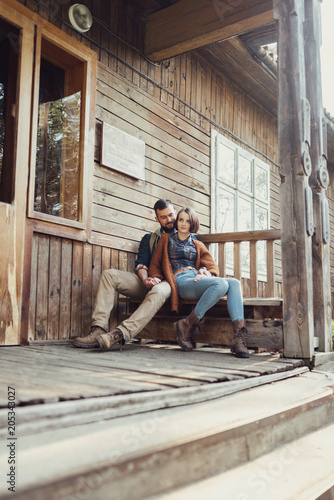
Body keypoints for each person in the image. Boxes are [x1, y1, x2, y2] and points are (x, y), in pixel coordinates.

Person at [73, 199, 176, 351]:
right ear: (157, 219)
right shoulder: (150, 239)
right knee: (109, 275)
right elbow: (141, 263)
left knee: (159, 290)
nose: (169, 220)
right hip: (149, 281)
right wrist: (145, 279)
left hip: (168, 284)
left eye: (171, 215)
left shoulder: (183, 237)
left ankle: (119, 334)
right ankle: (99, 329)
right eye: (163, 217)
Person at [148, 207, 250, 358]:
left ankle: (238, 339)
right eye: (181, 219)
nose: (183, 224)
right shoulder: (166, 239)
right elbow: (155, 264)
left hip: (196, 278)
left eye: (187, 221)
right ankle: (188, 324)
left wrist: (205, 271)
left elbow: (212, 267)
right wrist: (155, 278)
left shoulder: (197, 244)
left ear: (192, 223)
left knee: (234, 283)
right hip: (180, 280)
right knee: (221, 284)